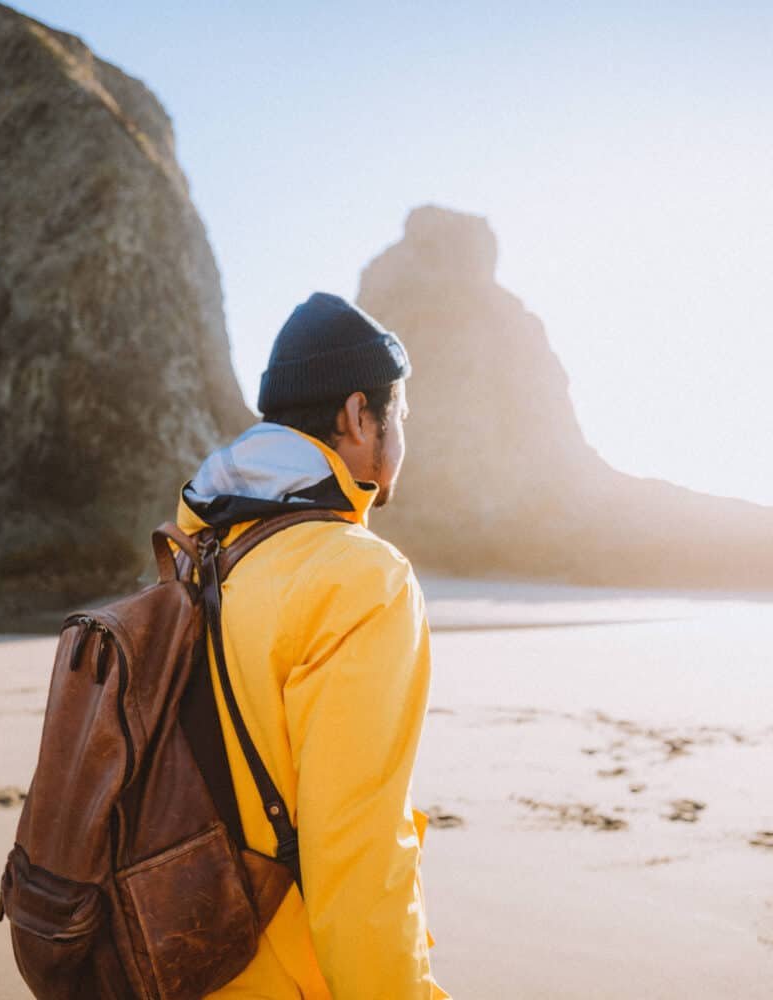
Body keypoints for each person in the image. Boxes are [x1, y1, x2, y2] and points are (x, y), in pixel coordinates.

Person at [175, 291, 449, 999]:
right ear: (359, 416)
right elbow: (356, 864)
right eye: (402, 417)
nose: (404, 439)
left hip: (171, 960)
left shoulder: (196, 548)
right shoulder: (361, 579)